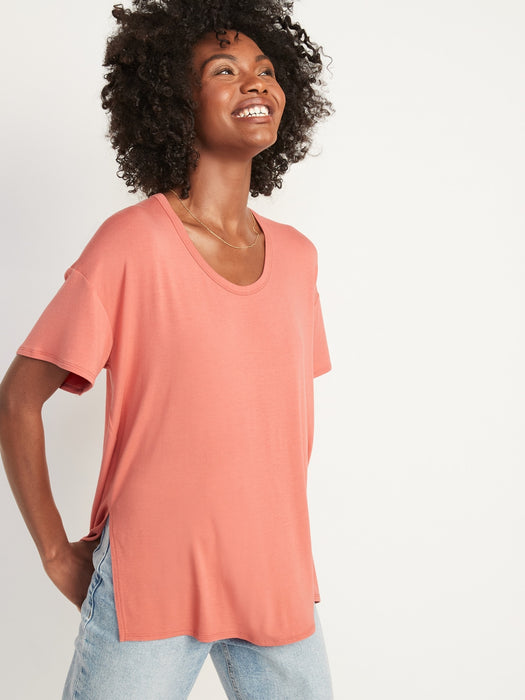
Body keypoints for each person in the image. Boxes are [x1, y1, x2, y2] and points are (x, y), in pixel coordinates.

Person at [0, 1, 334, 697]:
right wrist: (56, 552)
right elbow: (18, 398)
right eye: (224, 70)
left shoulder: (299, 260)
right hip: (152, 579)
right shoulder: (132, 244)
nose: (257, 82)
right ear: (174, 101)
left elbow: (266, 426)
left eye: (266, 70)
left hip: (274, 573)